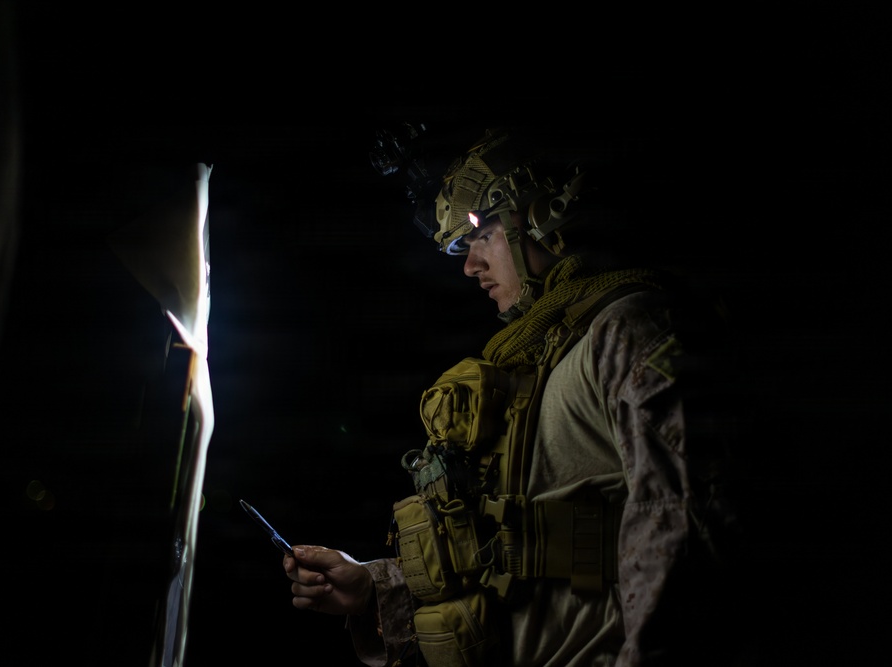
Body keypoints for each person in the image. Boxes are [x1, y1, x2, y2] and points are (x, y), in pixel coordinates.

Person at [282, 125, 746, 666]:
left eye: (483, 233)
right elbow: (505, 553)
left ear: (543, 214)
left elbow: (687, 536)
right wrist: (372, 587)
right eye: (464, 245)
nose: (470, 265)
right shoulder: (536, 357)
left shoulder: (632, 330)